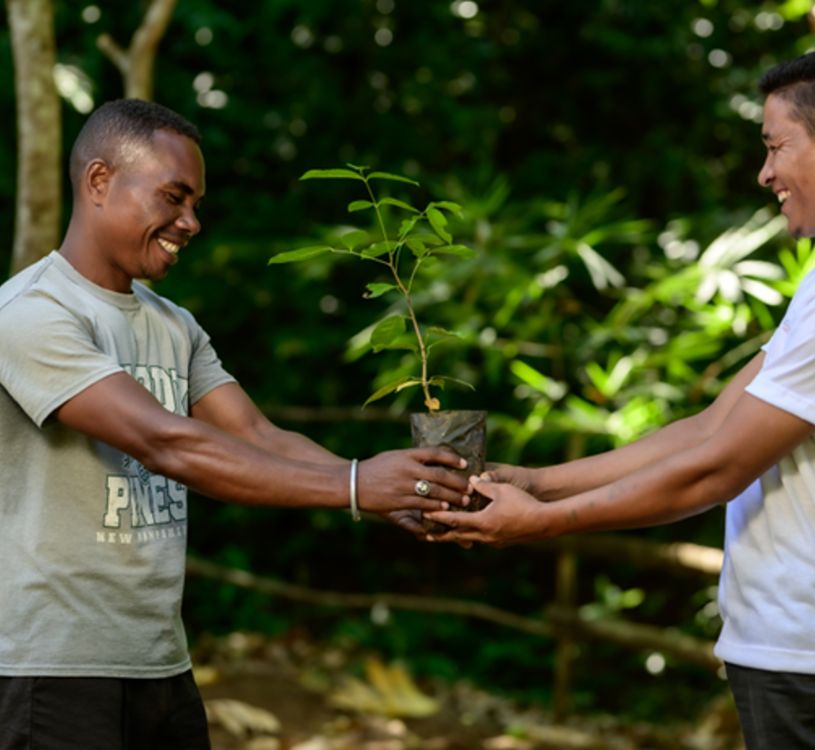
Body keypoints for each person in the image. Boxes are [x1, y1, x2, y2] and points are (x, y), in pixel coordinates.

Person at [426, 45, 815, 748]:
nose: (764, 172)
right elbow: (711, 427)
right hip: (807, 649)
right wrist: (536, 482)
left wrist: (542, 523)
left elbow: (718, 469)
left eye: (775, 147)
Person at [0, 98, 469, 749]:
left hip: (161, 664)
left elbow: (257, 436)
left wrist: (402, 490)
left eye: (196, 204)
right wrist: (361, 485)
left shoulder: (172, 323)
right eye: (173, 197)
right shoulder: (30, 314)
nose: (191, 222)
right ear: (100, 181)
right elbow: (166, 442)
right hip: (51, 672)